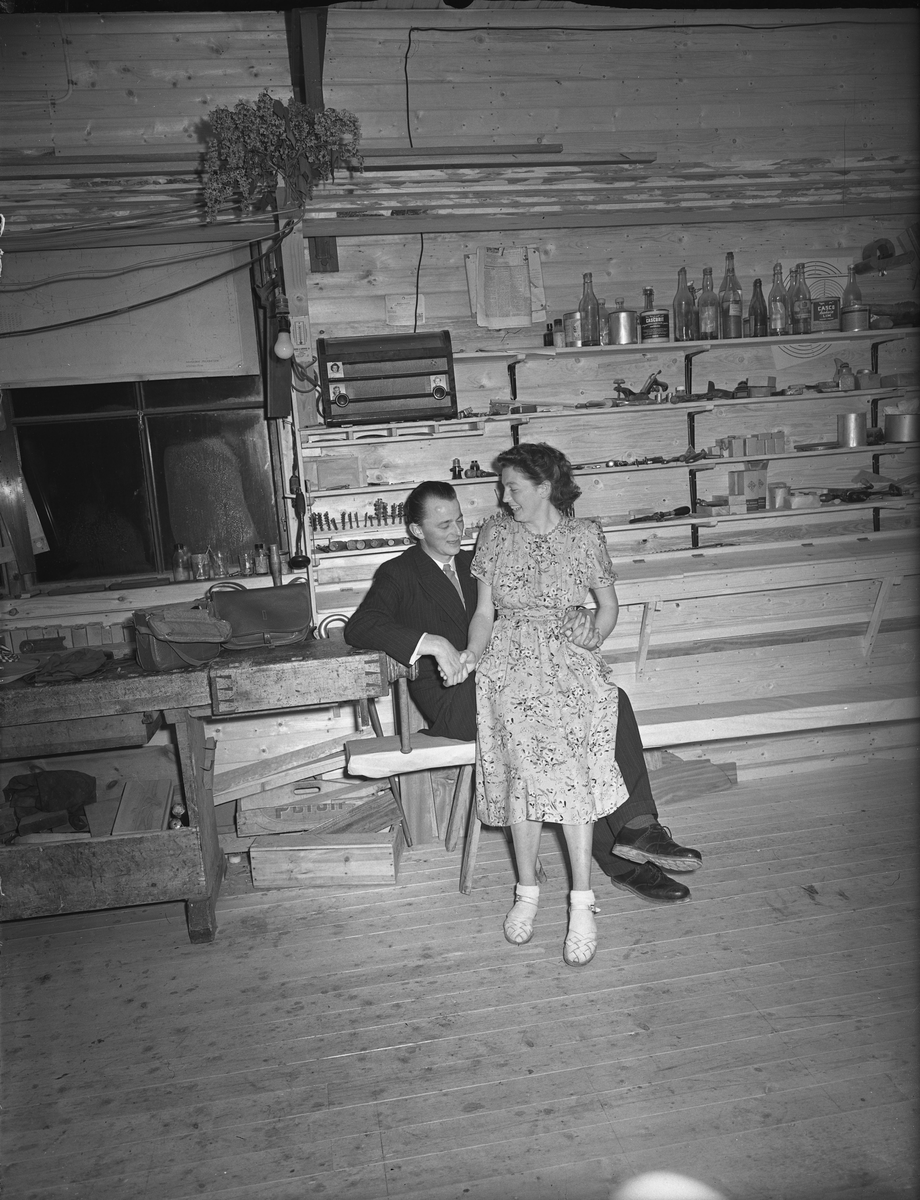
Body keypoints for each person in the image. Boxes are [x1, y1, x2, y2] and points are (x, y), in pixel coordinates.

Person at [344, 475, 701, 915]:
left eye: (460, 520)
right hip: (457, 700)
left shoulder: (480, 557)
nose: (458, 532)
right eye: (444, 526)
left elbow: (538, 600)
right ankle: (629, 845)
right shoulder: (399, 573)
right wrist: (431, 643)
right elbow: (360, 626)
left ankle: (634, 836)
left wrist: (579, 614)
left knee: (604, 701)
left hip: (515, 680)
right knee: (569, 713)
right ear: (417, 530)